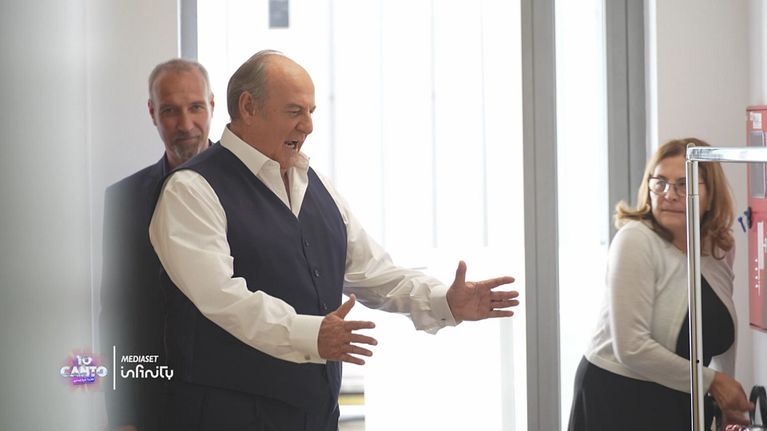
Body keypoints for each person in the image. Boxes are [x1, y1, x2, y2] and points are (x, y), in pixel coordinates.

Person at [148, 49, 520, 431]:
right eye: (295, 111)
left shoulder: (315, 184)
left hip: (318, 417)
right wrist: (310, 335)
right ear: (248, 107)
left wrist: (444, 300)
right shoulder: (191, 190)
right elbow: (221, 297)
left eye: (311, 111)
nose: (308, 126)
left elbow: (373, 273)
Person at [567, 138, 751, 430]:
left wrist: (728, 401)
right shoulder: (635, 240)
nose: (669, 194)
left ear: (710, 194)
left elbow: (721, 326)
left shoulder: (718, 246)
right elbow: (631, 347)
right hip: (618, 395)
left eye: (683, 184)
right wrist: (714, 382)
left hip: (682, 392)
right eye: (660, 183)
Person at [100, 58, 214, 431]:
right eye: (170, 111)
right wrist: (122, 416)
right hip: (155, 404)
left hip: (234, 408)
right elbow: (119, 314)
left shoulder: (252, 190)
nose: (186, 124)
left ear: (212, 105)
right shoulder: (124, 199)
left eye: (195, 107)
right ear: (152, 112)